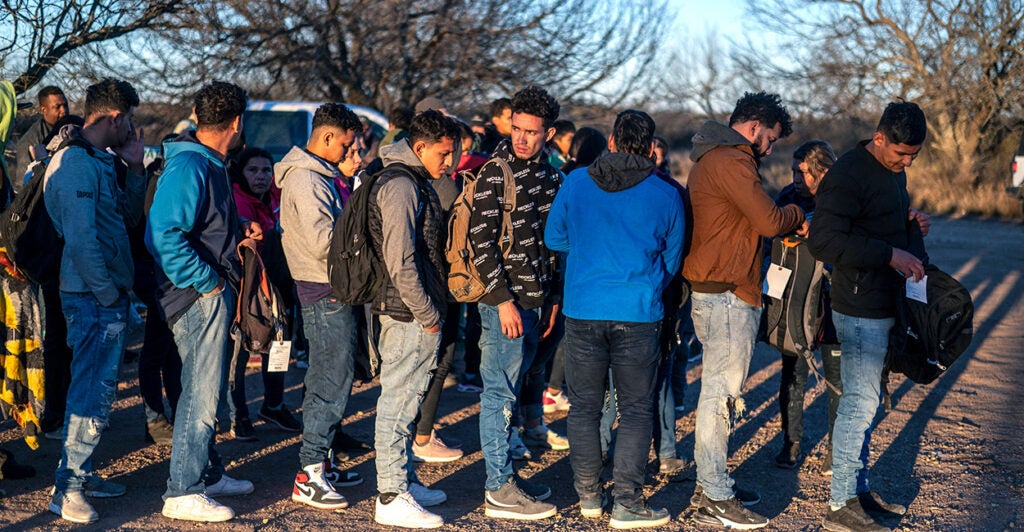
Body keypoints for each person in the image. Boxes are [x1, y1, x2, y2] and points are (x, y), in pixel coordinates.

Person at [546, 109, 684, 528]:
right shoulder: (666, 193)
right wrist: (645, 284)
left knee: (585, 408)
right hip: (638, 311)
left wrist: (588, 254)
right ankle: (627, 502)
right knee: (637, 411)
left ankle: (589, 495)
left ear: (611, 141)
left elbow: (554, 237)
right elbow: (672, 261)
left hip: (584, 308)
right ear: (649, 147)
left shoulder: (576, 182)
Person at [683, 91, 806, 529]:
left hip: (714, 286)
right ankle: (715, 494)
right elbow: (770, 221)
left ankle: (710, 485)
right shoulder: (732, 160)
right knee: (721, 395)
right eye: (770, 139)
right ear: (753, 127)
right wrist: (796, 213)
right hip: (728, 291)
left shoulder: (709, 157)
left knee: (717, 392)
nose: (770, 149)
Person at [808, 102, 930, 532]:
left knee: (866, 402)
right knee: (859, 405)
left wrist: (910, 224)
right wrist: (890, 252)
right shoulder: (847, 175)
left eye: (913, 155)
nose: (907, 162)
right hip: (858, 307)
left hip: (884, 302)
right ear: (879, 138)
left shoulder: (892, 173)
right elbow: (823, 241)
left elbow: (878, 224)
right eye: (901, 153)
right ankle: (841, 502)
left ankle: (857, 491)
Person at [147, 81, 256, 522]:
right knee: (201, 393)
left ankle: (206, 475)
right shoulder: (192, 166)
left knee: (204, 390)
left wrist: (238, 228)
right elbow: (164, 235)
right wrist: (207, 282)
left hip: (198, 291)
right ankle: (183, 490)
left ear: (196, 113)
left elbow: (191, 227)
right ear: (237, 122)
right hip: (196, 296)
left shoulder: (202, 162)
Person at [43, 78, 147, 524]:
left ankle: (79, 472)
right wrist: (109, 297)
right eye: (131, 121)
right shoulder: (76, 164)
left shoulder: (97, 160)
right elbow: (82, 240)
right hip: (91, 297)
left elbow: (123, 220)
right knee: (90, 391)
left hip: (103, 294)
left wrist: (136, 169)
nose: (134, 129)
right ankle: (67, 489)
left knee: (97, 392)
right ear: (116, 117)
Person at [470, 86, 562, 521]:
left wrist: (554, 301)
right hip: (502, 304)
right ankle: (498, 488)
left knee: (513, 388)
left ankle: (505, 478)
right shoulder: (495, 171)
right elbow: (480, 244)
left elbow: (558, 246)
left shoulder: (553, 177)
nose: (522, 138)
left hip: (538, 304)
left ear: (549, 133)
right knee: (498, 394)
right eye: (516, 128)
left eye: (531, 131)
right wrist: (503, 301)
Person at [368, 110, 458, 528]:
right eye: (444, 153)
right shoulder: (402, 185)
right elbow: (400, 259)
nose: (450, 162)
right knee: (398, 403)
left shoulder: (408, 179)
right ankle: (390, 495)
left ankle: (401, 480)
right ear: (419, 148)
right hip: (408, 313)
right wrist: (428, 316)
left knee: (405, 400)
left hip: (412, 312)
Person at [275, 103, 365, 510]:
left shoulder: (319, 176)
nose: (349, 152)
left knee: (329, 375)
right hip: (324, 289)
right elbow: (324, 243)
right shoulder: (308, 181)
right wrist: (365, 247)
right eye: (346, 144)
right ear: (327, 137)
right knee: (331, 378)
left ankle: (321, 460)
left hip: (327, 288)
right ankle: (309, 473)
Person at [770, 141, 843, 471]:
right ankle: (791, 443)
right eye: (793, 172)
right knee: (792, 375)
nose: (796, 179)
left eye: (802, 173)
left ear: (822, 172)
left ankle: (835, 449)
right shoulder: (786, 198)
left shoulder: (843, 201)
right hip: (794, 300)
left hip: (834, 300)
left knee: (837, 380)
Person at [227, 147, 301, 441]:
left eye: (266, 170)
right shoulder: (236, 201)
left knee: (280, 346)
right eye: (253, 170)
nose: (260, 176)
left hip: (279, 287)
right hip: (246, 290)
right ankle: (238, 414)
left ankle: (274, 404)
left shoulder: (276, 199)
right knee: (240, 351)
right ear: (241, 172)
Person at [16, 85, 68, 191]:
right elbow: (23, 186)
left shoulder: (76, 130)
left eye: (65, 105)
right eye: (57, 107)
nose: (64, 110)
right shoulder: (29, 142)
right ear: (44, 110)